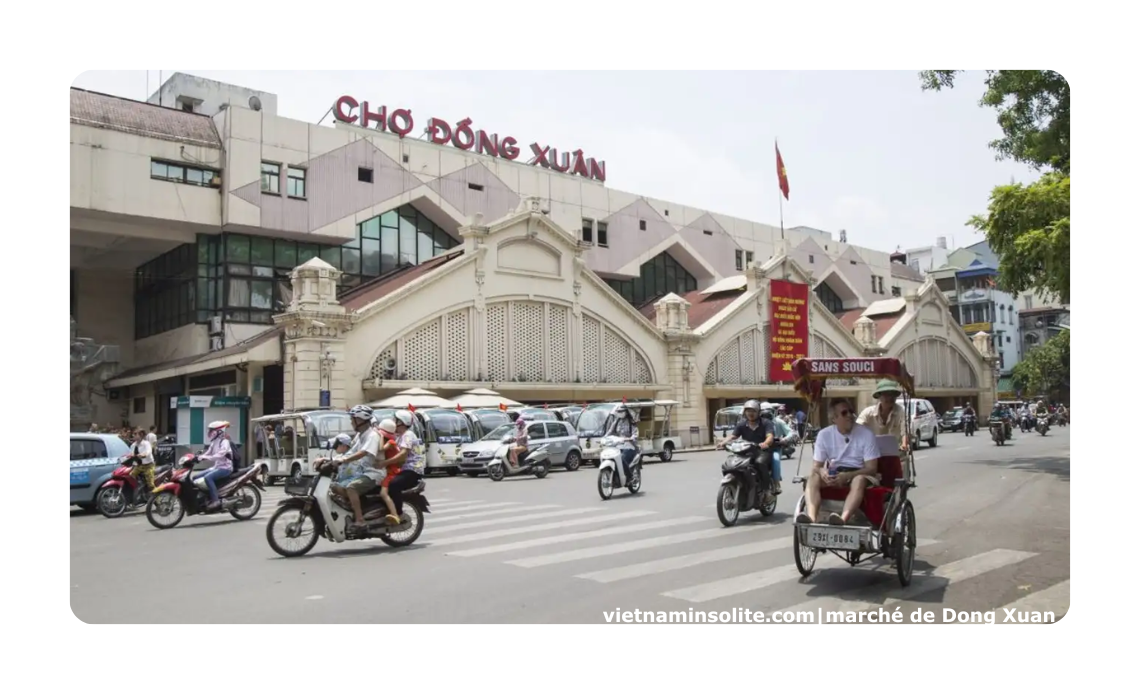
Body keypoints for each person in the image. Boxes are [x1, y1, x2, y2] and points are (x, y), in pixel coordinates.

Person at [797, 398, 881, 526]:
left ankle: (843, 519)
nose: (849, 416)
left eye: (850, 412)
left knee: (858, 480)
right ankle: (812, 518)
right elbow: (816, 467)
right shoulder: (824, 435)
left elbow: (871, 468)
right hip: (835, 472)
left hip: (859, 473)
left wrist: (847, 476)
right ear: (834, 419)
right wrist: (823, 472)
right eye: (844, 413)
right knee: (813, 477)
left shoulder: (866, 434)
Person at [330, 405, 385, 529]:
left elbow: (362, 453)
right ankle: (353, 507)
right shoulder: (360, 435)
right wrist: (329, 460)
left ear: (360, 420)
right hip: (361, 472)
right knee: (334, 486)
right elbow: (350, 452)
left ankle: (360, 520)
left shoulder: (372, 435)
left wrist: (344, 459)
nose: (351, 422)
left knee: (352, 488)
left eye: (352, 420)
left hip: (373, 473)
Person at [717, 399, 775, 494]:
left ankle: (766, 489)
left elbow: (770, 436)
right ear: (744, 412)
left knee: (760, 463)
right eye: (748, 411)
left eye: (753, 411)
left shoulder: (766, 423)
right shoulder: (742, 424)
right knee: (729, 464)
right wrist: (723, 443)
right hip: (746, 451)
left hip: (761, 451)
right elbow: (733, 436)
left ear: (758, 412)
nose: (750, 413)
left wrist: (765, 443)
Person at [386, 410, 426, 520]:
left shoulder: (408, 435)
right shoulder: (399, 436)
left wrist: (384, 463)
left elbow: (403, 454)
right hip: (402, 469)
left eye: (396, 420)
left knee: (393, 485)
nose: (393, 422)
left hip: (412, 470)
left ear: (402, 422)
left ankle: (399, 514)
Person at [857, 379, 910, 453]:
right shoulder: (868, 413)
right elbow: (857, 428)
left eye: (893, 394)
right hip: (873, 453)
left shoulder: (900, 411)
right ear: (879, 396)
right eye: (886, 394)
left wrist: (904, 444)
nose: (890, 398)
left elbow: (905, 431)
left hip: (893, 453)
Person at [197, 421, 235, 510]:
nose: (209, 432)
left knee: (207, 478)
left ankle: (215, 500)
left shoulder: (224, 442)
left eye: (212, 430)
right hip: (217, 467)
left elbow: (219, 455)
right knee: (196, 477)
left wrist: (206, 458)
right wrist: (197, 457)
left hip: (225, 468)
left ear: (219, 431)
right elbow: (208, 452)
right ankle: (205, 496)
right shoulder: (214, 442)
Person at [376, 419, 404, 525]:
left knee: (383, 493)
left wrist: (380, 436)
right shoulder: (391, 441)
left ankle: (395, 514)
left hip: (392, 471)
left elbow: (380, 449)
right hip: (389, 469)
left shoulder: (391, 442)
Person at [602, 403, 640, 480]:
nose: (620, 413)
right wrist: (604, 438)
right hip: (618, 445)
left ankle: (630, 476)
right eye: (618, 412)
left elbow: (635, 433)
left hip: (630, 446)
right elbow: (610, 431)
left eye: (621, 411)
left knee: (622, 458)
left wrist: (631, 438)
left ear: (625, 412)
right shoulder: (617, 421)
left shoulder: (631, 422)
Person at [763, 405, 790, 494]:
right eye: (763, 411)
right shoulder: (756, 422)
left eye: (768, 411)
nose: (765, 413)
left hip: (774, 447)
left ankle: (776, 483)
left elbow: (790, 432)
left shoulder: (778, 422)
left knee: (775, 459)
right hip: (759, 448)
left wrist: (784, 439)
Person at [129, 428, 157, 495]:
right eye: (134, 434)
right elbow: (131, 454)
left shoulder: (146, 443)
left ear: (141, 435)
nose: (134, 436)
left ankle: (157, 500)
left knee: (150, 484)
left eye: (136, 434)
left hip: (148, 465)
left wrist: (143, 454)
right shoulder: (133, 445)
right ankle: (139, 489)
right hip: (139, 465)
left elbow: (148, 452)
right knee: (131, 476)